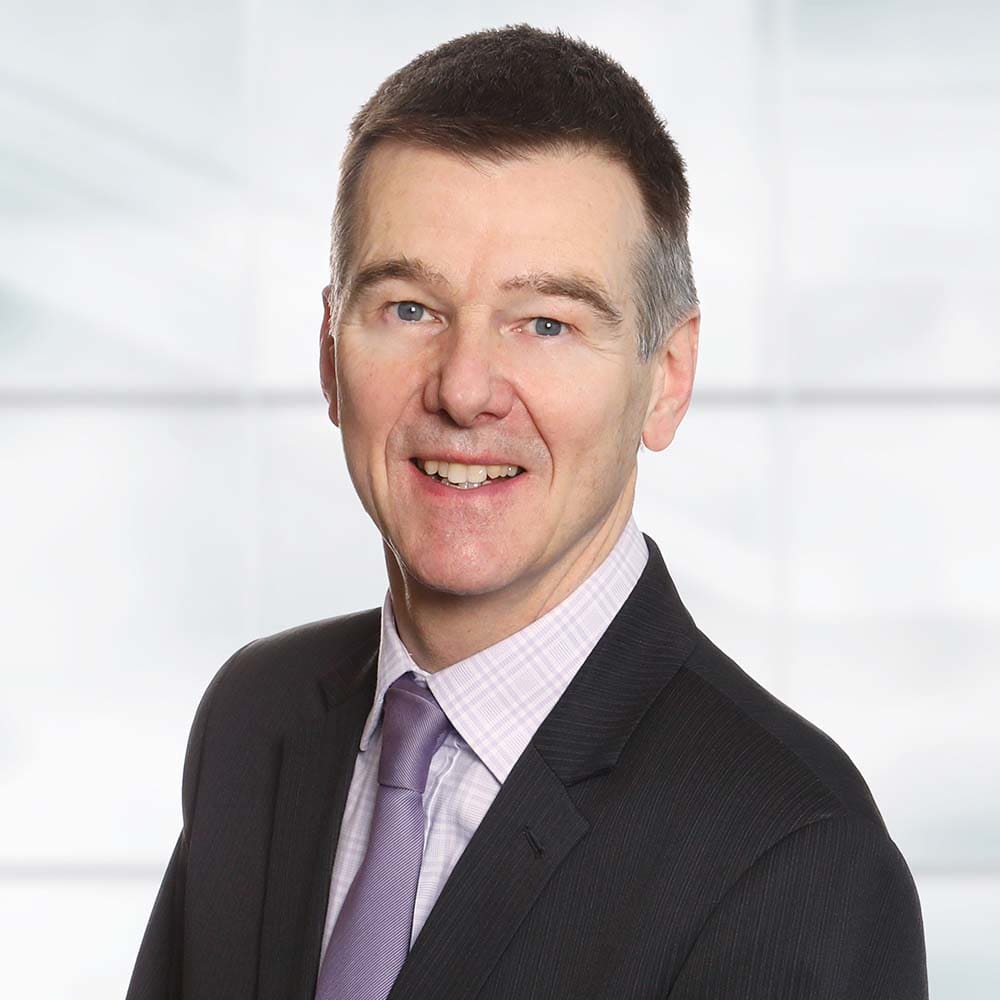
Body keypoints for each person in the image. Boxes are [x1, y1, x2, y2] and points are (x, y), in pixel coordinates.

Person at [127, 23, 928, 1000]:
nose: (464, 389)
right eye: (410, 309)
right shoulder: (259, 720)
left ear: (667, 378)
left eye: (546, 323)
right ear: (330, 351)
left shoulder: (795, 858)